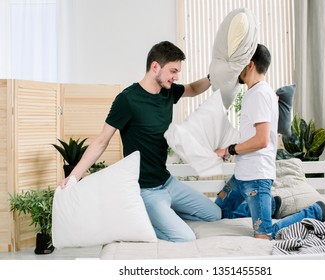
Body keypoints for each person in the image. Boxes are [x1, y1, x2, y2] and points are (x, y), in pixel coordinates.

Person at [60, 41, 221, 242]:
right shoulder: (127, 100)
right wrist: (74, 176)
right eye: (173, 71)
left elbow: (193, 89)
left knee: (215, 214)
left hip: (167, 182)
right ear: (155, 67)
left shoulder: (168, 91)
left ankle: (164, 216)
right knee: (185, 238)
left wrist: (214, 76)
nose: (176, 77)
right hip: (146, 190)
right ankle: (145, 220)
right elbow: (101, 141)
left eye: (177, 71)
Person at [214, 44, 325, 240]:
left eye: (240, 63)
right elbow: (250, 134)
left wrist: (229, 150)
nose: (237, 68)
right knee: (220, 212)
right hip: (242, 175)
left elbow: (262, 140)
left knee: (264, 234)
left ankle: (315, 212)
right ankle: (271, 206)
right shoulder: (255, 93)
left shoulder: (260, 94)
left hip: (256, 177)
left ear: (250, 65)